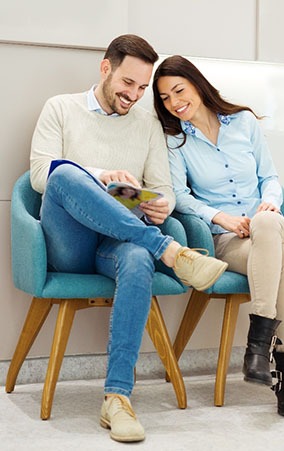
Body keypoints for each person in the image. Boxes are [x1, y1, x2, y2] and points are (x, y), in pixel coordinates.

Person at [30, 37, 228, 443]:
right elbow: (39, 176)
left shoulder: (147, 123)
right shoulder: (61, 108)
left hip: (118, 241)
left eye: (142, 88)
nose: (134, 96)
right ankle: (170, 251)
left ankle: (117, 398)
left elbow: (163, 189)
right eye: (128, 83)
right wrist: (102, 176)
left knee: (138, 257)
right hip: (72, 244)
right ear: (106, 69)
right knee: (65, 174)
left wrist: (159, 205)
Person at [152, 55, 284, 418]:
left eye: (179, 90)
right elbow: (182, 195)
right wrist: (221, 217)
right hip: (228, 238)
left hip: (270, 224)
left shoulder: (243, 122)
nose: (174, 102)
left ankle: (257, 344)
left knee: (267, 226)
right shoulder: (175, 141)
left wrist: (267, 206)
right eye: (164, 98)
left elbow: (270, 177)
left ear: (197, 84)